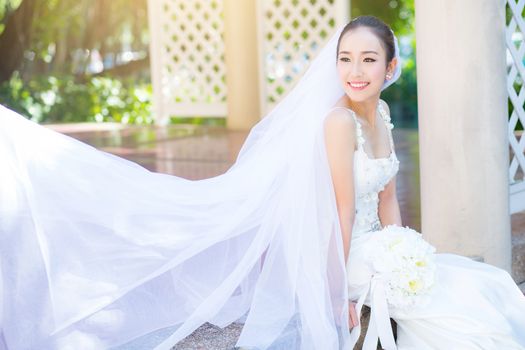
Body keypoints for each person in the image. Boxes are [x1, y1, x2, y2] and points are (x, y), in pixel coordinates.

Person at [0, 14, 524, 350]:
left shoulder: (381, 112)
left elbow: (387, 197)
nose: (355, 71)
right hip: (349, 254)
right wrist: (339, 292)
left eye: (368, 60)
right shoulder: (337, 123)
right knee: (460, 309)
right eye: (345, 59)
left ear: (390, 68)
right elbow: (341, 214)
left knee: (477, 284)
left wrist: (412, 247)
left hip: (383, 249)